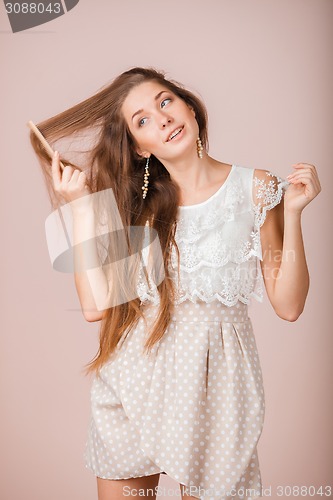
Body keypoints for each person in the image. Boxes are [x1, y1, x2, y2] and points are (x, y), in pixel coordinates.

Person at [29, 67, 321, 500]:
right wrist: (81, 208)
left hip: (219, 392)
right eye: (142, 120)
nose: (162, 118)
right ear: (138, 148)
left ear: (189, 107)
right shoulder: (136, 210)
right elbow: (96, 306)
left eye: (165, 101)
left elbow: (290, 305)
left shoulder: (257, 189)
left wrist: (294, 213)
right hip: (134, 389)